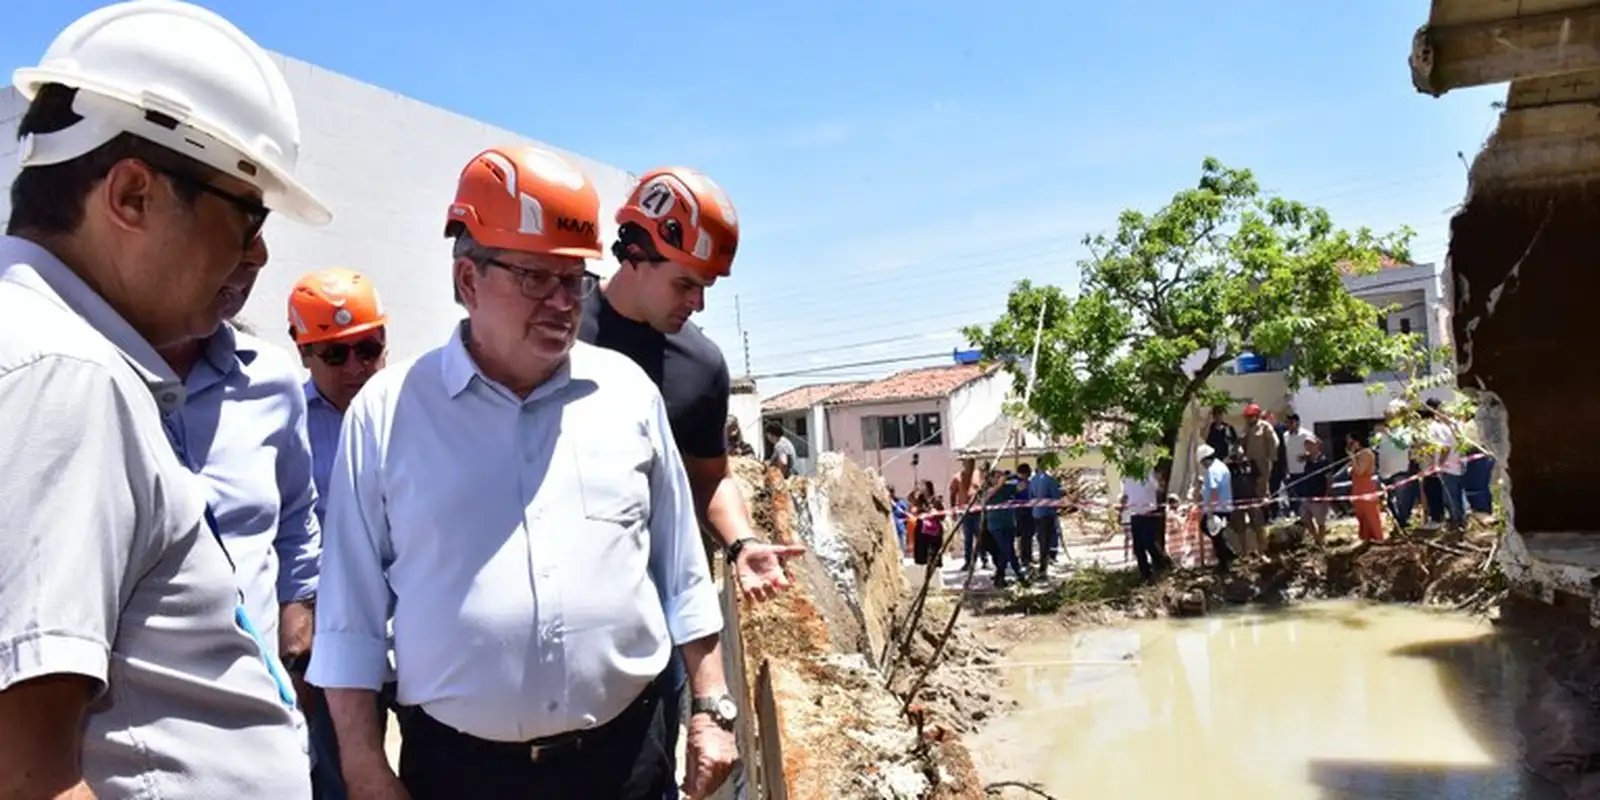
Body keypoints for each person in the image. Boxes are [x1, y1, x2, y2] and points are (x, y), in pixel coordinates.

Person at [308, 146, 736, 799]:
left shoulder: (628, 395)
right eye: (536, 277)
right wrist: (364, 764)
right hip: (460, 774)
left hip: (625, 763)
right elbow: (350, 614)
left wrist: (710, 705)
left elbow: (681, 573)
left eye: (574, 278)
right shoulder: (388, 414)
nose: (564, 302)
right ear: (467, 281)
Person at [0, 3, 330, 796]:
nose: (258, 252)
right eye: (246, 213)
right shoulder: (67, 374)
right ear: (133, 195)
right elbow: (26, 775)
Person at [157, 236, 342, 796]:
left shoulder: (270, 381)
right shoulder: (70, 371)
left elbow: (295, 512)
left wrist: (297, 616)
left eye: (260, 224)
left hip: (264, 732)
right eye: (233, 220)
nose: (256, 253)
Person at [290, 267, 389, 524]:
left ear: (384, 343)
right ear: (304, 354)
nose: (354, 368)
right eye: (335, 355)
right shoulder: (287, 425)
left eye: (367, 350)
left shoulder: (416, 414)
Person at [1423, 398, 1468, 529]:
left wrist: (1439, 465)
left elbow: (1446, 448)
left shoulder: (1448, 427)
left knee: (1450, 496)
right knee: (1456, 495)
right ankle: (1459, 520)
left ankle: (1457, 521)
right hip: (1455, 466)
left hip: (1449, 467)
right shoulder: (1454, 426)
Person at [982, 469, 1027, 587]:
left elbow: (1021, 487)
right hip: (996, 526)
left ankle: (999, 578)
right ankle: (1020, 575)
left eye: (1000, 477)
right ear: (991, 479)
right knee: (1009, 550)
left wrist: (1018, 477)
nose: (999, 479)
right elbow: (984, 499)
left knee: (1004, 552)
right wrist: (998, 485)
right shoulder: (987, 489)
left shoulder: (1008, 487)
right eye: (996, 477)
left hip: (1009, 524)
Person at [1119, 469, 1165, 581]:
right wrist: (1122, 506)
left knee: (1149, 542)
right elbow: (1125, 494)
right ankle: (1145, 573)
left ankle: (1161, 566)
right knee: (1138, 547)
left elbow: (1157, 488)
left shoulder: (1147, 472)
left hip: (1149, 514)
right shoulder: (1127, 477)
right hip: (1135, 515)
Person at [1196, 445, 1236, 571]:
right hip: (1223, 507)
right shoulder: (1221, 466)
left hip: (1218, 509)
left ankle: (1225, 561)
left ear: (1205, 460)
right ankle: (1228, 554)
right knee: (1215, 533)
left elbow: (1214, 490)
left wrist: (1210, 511)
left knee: (1214, 533)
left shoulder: (1212, 470)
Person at [1373, 416, 1416, 532]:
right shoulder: (1381, 434)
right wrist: (1375, 438)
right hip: (1385, 473)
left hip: (1400, 471)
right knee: (1389, 500)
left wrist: (1388, 434)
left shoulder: (1405, 431)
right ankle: (1398, 522)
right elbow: (1374, 448)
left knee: (1402, 499)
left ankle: (1403, 522)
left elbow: (1403, 445)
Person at [1227, 445, 1267, 559]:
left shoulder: (1251, 463)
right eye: (1235, 456)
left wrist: (1263, 496)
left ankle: (1262, 551)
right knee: (1240, 528)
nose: (1238, 459)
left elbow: (1260, 480)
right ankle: (1244, 553)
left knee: (1258, 526)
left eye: (1239, 455)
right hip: (1236, 501)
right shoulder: (1228, 467)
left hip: (1252, 499)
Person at [949, 457, 987, 570]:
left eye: (972, 462)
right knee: (968, 537)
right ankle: (968, 561)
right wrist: (953, 510)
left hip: (977, 511)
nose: (971, 464)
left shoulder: (978, 475)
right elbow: (952, 494)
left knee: (980, 536)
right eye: (968, 462)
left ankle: (984, 559)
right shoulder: (957, 477)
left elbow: (984, 490)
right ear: (964, 463)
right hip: (965, 512)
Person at [1348, 431, 1385, 543]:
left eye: (1351, 442)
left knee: (1370, 514)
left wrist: (1352, 458)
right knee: (1361, 514)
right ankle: (1366, 537)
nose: (1349, 445)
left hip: (1365, 487)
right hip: (1357, 487)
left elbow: (1360, 471)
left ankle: (1377, 537)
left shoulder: (1365, 453)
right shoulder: (1358, 454)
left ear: (1358, 442)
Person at [1297, 437, 1332, 548]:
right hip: (1308, 494)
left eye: (1311, 444)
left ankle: (1321, 542)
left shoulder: (1323, 461)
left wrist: (1327, 494)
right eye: (1306, 444)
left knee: (1320, 521)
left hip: (1319, 495)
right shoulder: (1308, 461)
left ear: (1317, 445)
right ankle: (1317, 539)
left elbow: (1329, 479)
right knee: (1305, 517)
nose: (1308, 446)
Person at [1027, 465, 1063, 567]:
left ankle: (1043, 561)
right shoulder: (1050, 480)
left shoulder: (1032, 480)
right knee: (1048, 539)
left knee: (1041, 538)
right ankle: (1045, 563)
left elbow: (1030, 497)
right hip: (1048, 513)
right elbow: (1056, 497)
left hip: (1036, 513)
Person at [1013, 464, 1038, 566]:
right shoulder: (1017, 484)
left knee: (1029, 536)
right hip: (1021, 513)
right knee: (1023, 536)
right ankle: (1024, 558)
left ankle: (1028, 556)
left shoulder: (1029, 483)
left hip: (1030, 512)